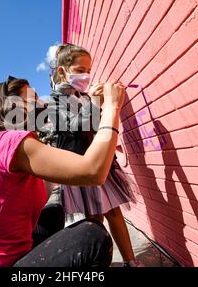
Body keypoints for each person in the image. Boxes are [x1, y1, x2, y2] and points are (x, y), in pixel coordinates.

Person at [0, 77, 124, 267]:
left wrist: (90, 105)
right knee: (92, 236)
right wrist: (112, 106)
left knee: (53, 214)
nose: (43, 103)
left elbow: (68, 167)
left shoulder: (4, 144)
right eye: (34, 98)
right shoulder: (11, 141)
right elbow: (93, 172)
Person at [47, 43, 141, 267]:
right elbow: (74, 126)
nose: (86, 76)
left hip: (100, 161)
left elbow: (97, 124)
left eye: (88, 70)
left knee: (114, 213)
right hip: (79, 165)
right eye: (80, 70)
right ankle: (100, 264)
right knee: (94, 219)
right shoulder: (54, 102)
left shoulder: (84, 96)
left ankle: (131, 262)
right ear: (62, 71)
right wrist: (97, 102)